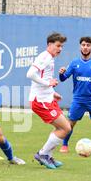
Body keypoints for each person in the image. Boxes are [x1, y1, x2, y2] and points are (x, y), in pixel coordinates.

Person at [26, 32, 71, 170]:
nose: (60, 49)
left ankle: (48, 156)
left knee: (62, 128)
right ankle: (43, 154)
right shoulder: (45, 56)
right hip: (40, 101)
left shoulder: (50, 58)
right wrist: (47, 84)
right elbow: (30, 74)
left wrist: (52, 93)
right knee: (66, 128)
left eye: (62, 46)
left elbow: (43, 78)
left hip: (47, 98)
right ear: (49, 45)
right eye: (58, 45)